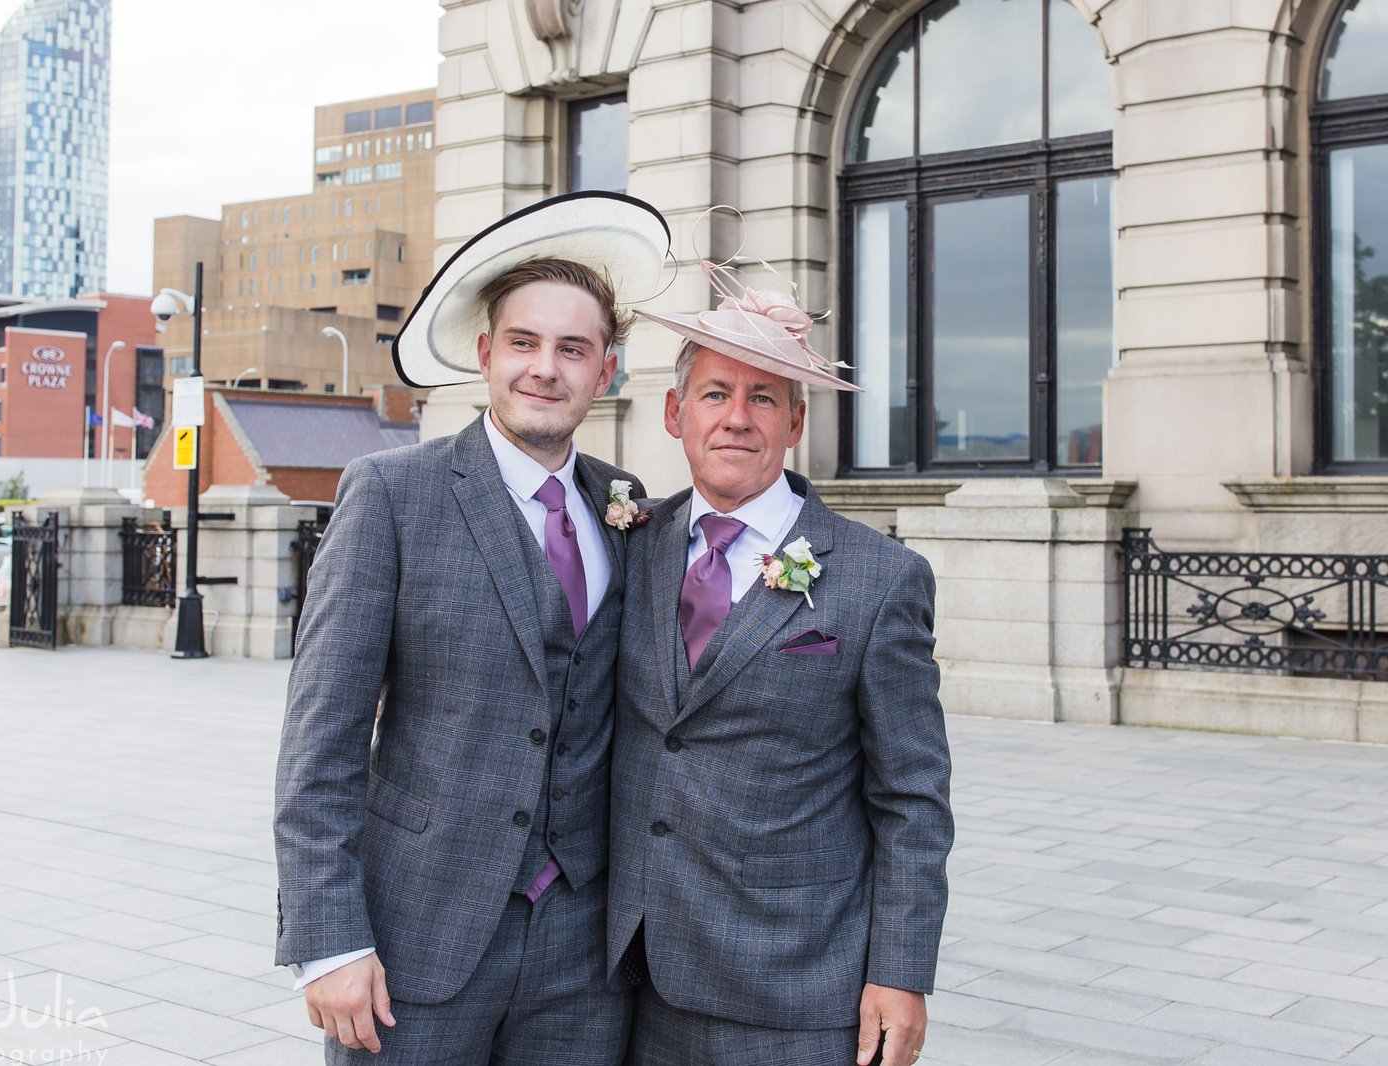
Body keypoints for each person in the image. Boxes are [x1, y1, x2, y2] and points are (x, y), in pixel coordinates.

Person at [275, 191, 670, 1064]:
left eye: (574, 349)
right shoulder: (392, 495)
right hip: (417, 937)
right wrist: (329, 940)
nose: (546, 369)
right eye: (525, 344)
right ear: (487, 356)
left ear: (605, 371)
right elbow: (322, 737)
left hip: (582, 954)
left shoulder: (626, 503)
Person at [607, 233, 954, 1066]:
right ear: (673, 412)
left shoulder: (881, 579)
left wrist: (900, 974)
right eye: (716, 392)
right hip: (631, 970)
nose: (737, 417)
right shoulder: (631, 544)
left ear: (796, 420)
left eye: (764, 398)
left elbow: (912, 798)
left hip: (797, 988)